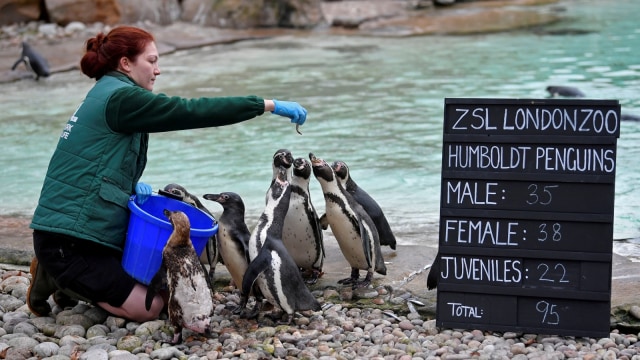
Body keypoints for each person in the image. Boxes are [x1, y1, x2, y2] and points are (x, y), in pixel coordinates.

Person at [27, 25, 308, 322]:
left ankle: (68, 279)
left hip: (79, 232)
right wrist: (266, 105)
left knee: (161, 284)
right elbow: (190, 110)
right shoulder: (124, 99)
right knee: (150, 307)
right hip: (67, 241)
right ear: (126, 63)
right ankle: (56, 275)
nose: (158, 70)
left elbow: (94, 164)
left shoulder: (108, 91)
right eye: (151, 61)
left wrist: (129, 189)